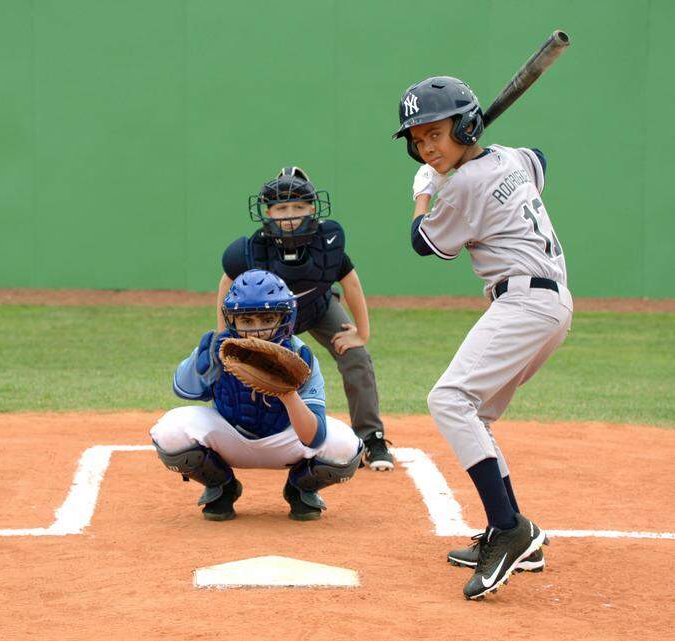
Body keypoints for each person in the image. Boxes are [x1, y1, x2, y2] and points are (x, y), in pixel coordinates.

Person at [392, 75, 573, 599]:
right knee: (478, 415)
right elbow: (539, 158)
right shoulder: (512, 158)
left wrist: (426, 192)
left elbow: (422, 243)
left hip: (523, 302)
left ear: (467, 124)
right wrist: (466, 155)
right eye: (419, 140)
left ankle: (509, 530)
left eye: (436, 134)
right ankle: (515, 529)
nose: (427, 147)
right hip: (549, 304)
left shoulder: (463, 185)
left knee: (449, 399)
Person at [216, 167, 394, 471]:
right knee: (243, 366)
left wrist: (361, 333)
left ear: (312, 209)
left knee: (356, 357)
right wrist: (224, 339)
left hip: (318, 307)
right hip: (267, 321)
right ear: (268, 212)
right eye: (282, 208)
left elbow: (350, 283)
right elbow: (226, 287)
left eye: (298, 207)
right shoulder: (252, 248)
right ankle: (243, 432)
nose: (289, 215)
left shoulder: (327, 241)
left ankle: (372, 438)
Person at [150, 269, 363, 521]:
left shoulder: (300, 357)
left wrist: (288, 394)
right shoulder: (221, 349)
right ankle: (222, 486)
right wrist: (202, 363)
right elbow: (183, 390)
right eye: (247, 321)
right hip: (230, 436)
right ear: (232, 320)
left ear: (285, 317)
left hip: (284, 441)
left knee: (345, 448)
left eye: (266, 318)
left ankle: (300, 489)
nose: (257, 330)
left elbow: (314, 439)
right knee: (169, 432)